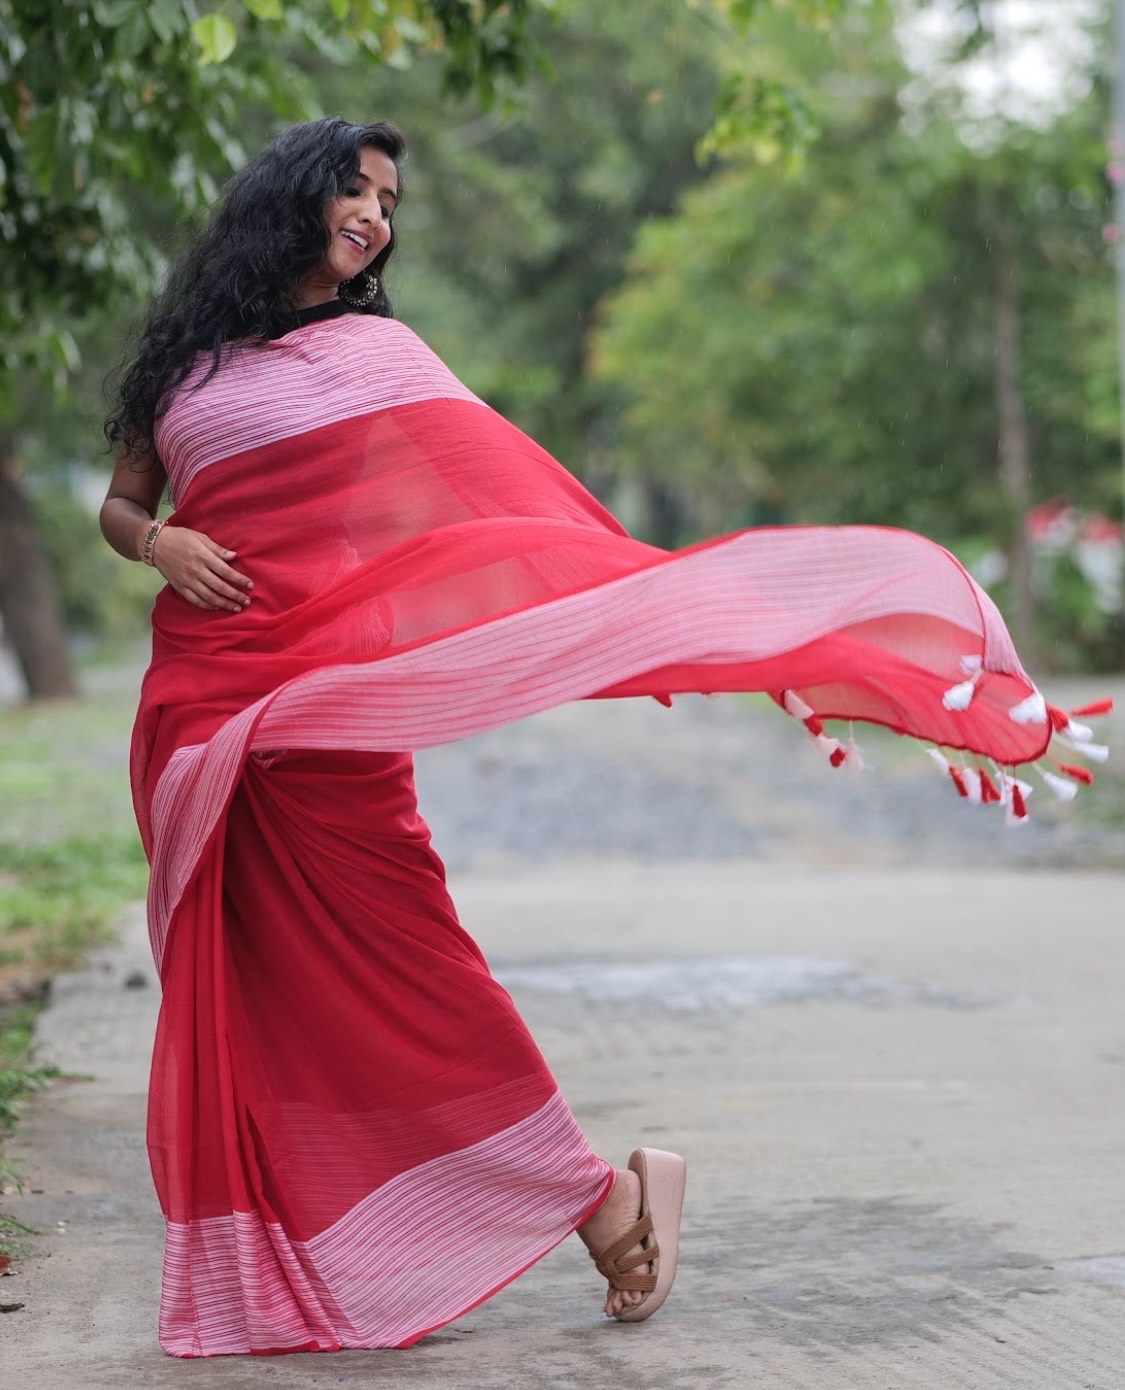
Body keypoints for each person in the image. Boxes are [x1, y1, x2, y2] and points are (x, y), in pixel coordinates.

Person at [101, 117, 1066, 1359]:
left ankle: (600, 1199)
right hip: (202, 703)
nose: (379, 216)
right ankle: (303, 1246)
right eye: (361, 188)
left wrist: (636, 608)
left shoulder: (379, 357)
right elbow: (130, 501)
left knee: (416, 970)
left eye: (392, 201)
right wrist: (158, 542)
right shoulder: (180, 359)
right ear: (293, 195)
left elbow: (490, 496)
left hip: (330, 706)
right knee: (251, 984)